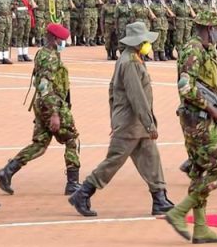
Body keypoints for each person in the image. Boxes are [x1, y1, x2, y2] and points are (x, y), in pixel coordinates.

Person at [68, 22, 174, 217]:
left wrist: (115, 118)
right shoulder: (130, 63)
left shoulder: (132, 58)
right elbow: (137, 97)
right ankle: (83, 193)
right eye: (145, 41)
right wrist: (149, 123)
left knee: (151, 158)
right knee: (114, 161)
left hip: (135, 123)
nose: (148, 44)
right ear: (137, 43)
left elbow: (111, 92)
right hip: (131, 123)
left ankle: (159, 198)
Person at [165, 11, 217, 244]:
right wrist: (213, 110)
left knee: (199, 170)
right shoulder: (193, 50)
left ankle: (201, 227)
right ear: (206, 27)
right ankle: (179, 212)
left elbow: (212, 86)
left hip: (205, 118)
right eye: (216, 27)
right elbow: (185, 87)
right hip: (198, 120)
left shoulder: (209, 50)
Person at [0, 23, 82, 196]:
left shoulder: (43, 52)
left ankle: (7, 171)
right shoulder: (50, 57)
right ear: (55, 39)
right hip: (52, 103)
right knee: (72, 139)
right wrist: (55, 113)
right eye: (62, 40)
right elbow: (45, 85)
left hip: (41, 104)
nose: (64, 42)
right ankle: (73, 183)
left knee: (40, 143)